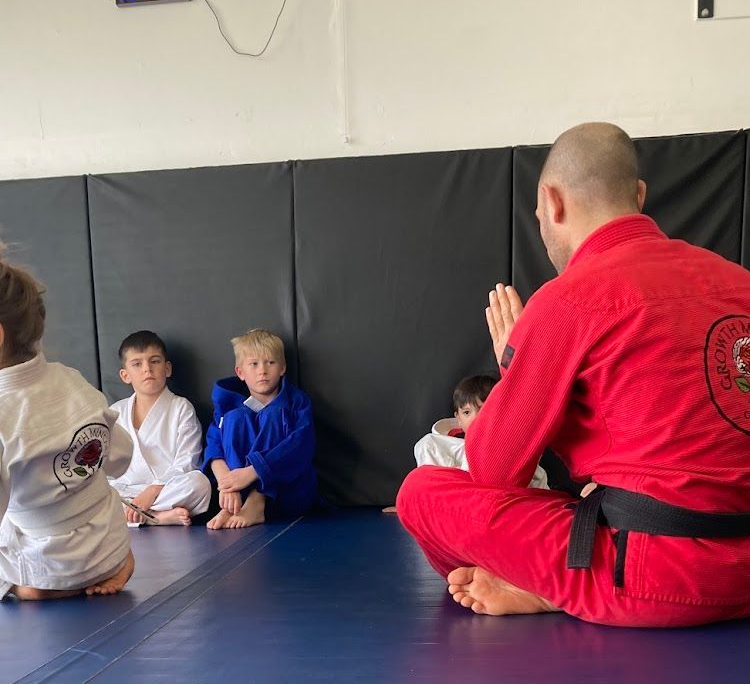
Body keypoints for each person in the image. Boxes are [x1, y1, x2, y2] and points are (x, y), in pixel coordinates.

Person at [396, 122, 750, 627]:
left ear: (552, 202)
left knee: (422, 492)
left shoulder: (567, 300)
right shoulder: (738, 281)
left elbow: (493, 471)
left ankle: (546, 584)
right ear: (640, 195)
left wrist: (513, 363)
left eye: (540, 215)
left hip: (656, 578)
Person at [0, 246, 135, 601]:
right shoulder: (71, 379)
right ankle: (111, 561)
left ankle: (33, 586)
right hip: (109, 544)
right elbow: (121, 457)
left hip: (50, 568)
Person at [203, 328, 317, 530]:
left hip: (286, 492)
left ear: (282, 368)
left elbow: (301, 445)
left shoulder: (296, 403)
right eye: (254, 364)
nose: (262, 371)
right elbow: (214, 445)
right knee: (235, 418)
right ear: (240, 372)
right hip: (236, 494)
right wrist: (228, 484)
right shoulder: (227, 406)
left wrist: (253, 471)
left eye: (270, 363)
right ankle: (233, 506)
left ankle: (258, 499)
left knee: (274, 414)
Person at [109, 331, 211, 526]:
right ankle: (156, 518)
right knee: (93, 491)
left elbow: (187, 461)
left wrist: (153, 490)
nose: (147, 369)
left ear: (167, 368)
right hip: (127, 491)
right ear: (125, 375)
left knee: (199, 484)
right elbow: (108, 468)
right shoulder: (115, 412)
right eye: (137, 364)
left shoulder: (181, 407)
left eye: (154, 361)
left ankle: (135, 516)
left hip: (166, 490)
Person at [414, 373, 548, 488]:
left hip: (496, 497)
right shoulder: (439, 445)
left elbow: (536, 481)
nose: (476, 418)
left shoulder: (511, 445)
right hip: (455, 497)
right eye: (467, 412)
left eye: (484, 409)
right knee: (426, 444)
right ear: (458, 418)